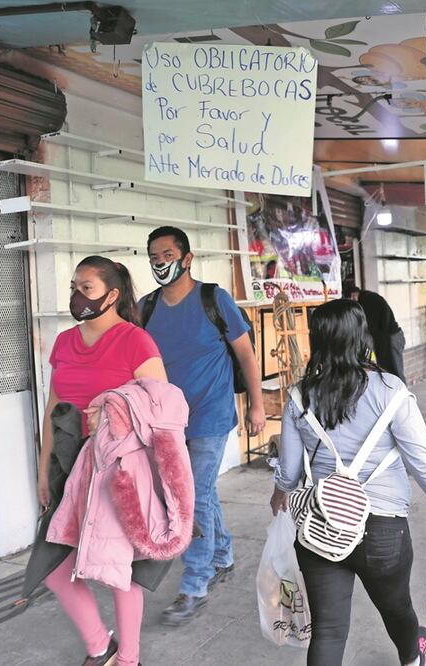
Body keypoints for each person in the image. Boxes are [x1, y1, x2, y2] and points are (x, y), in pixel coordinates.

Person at [270, 299, 426, 666]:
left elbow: (289, 471)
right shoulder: (390, 390)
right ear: (363, 336)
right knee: (396, 607)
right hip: (383, 530)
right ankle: (413, 654)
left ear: (318, 338)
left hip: (319, 525)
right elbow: (423, 462)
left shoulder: (299, 396)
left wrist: (278, 496)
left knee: (328, 629)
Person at [37, 256, 167, 666]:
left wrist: (113, 411)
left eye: (86, 288)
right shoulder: (64, 342)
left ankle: (127, 659)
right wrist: (43, 470)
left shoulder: (135, 341)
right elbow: (52, 410)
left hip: (116, 468)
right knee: (52, 565)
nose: (77, 296)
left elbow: (161, 412)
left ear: (112, 295)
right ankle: (99, 644)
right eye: (74, 287)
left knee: (119, 568)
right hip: (67, 463)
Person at [141, 226, 265, 626]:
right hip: (168, 421)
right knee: (202, 492)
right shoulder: (145, 308)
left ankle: (195, 583)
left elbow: (246, 355)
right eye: (153, 255)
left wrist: (257, 407)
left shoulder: (214, 299)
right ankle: (222, 553)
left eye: (167, 253)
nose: (160, 261)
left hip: (211, 415)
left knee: (190, 498)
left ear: (187, 257)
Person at [343, 283, 406, 382]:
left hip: (391, 337)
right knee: (388, 370)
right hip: (386, 338)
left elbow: (370, 326)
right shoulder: (367, 298)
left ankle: (402, 395)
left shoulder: (368, 301)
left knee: (395, 372)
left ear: (354, 295)